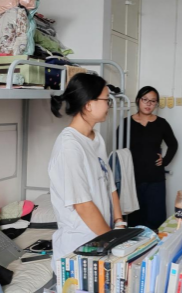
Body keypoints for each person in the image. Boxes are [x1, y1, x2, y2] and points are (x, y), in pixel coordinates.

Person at [49, 74, 125, 268]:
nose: (108, 105)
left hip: (102, 240)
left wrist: (119, 222)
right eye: (106, 100)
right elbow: (83, 205)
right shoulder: (69, 147)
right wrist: (113, 241)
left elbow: (109, 184)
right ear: (89, 104)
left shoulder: (96, 138)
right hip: (79, 250)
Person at [119, 86, 178, 230]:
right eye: (145, 99)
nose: (148, 104)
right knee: (135, 220)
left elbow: (173, 144)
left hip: (155, 179)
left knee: (156, 219)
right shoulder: (126, 123)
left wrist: (165, 161)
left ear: (156, 104)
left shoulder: (161, 123)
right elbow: (118, 149)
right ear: (138, 100)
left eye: (152, 101)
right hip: (133, 179)